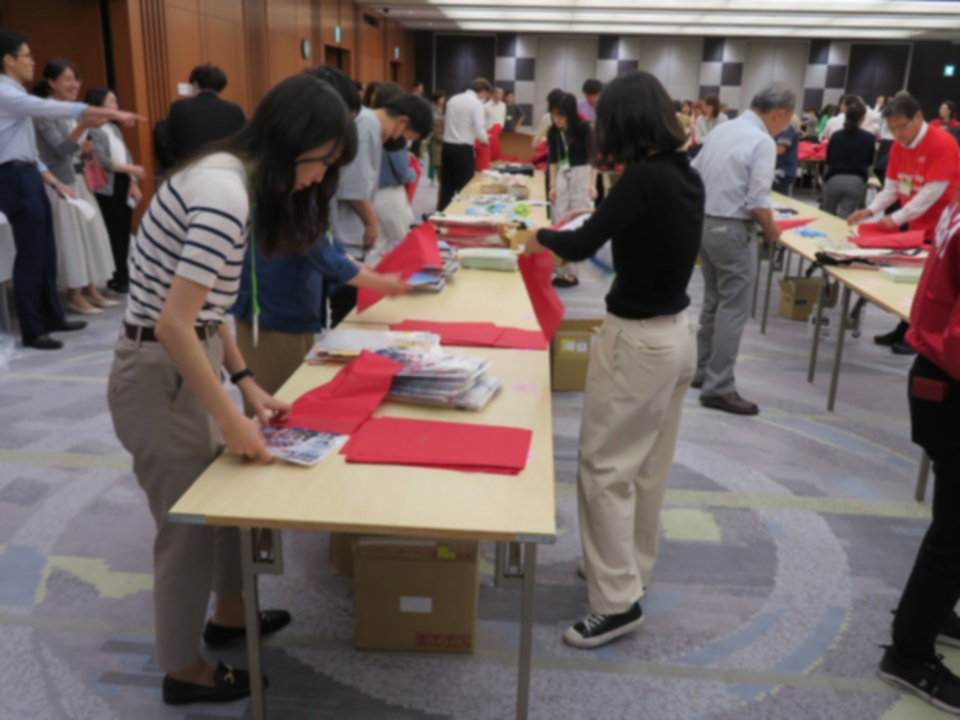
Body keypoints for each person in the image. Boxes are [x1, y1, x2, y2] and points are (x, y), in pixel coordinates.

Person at [108, 73, 355, 706]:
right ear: (297, 141)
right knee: (186, 528)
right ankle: (183, 669)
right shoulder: (224, 195)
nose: (318, 180)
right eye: (323, 163)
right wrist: (232, 416)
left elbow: (209, 310)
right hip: (159, 373)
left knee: (218, 504)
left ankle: (230, 614)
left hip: (182, 364)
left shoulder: (229, 178)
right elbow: (175, 325)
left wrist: (245, 382)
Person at [524, 70, 703, 649]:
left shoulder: (641, 179)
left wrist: (537, 235)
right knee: (646, 466)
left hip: (637, 343)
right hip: (676, 337)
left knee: (604, 468)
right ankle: (628, 570)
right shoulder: (684, 173)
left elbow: (580, 244)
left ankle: (616, 602)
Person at [231, 67, 411, 405]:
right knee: (277, 405)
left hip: (296, 308)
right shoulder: (277, 181)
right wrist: (376, 281)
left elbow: (323, 236)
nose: (325, 171)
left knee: (296, 393)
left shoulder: (302, 178)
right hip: (270, 313)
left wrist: (362, 269)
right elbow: (316, 248)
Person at [0, 30, 140, 350]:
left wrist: (47, 177)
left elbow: (27, 148)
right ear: (8, 60)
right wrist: (108, 112)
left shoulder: (15, 93)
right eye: (27, 56)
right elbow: (52, 110)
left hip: (29, 173)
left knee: (46, 251)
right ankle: (33, 328)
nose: (32, 62)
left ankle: (51, 315)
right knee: (31, 253)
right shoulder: (5, 92)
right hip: (14, 177)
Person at [878, 195, 960, 714]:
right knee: (953, 536)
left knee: (951, 527)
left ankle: (932, 614)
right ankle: (908, 654)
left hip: (937, 375)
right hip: (950, 379)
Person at [692, 82, 796, 416]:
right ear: (779, 114)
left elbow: (693, 173)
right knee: (733, 308)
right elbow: (757, 203)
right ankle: (719, 386)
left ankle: (702, 371)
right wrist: (772, 231)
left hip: (706, 223)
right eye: (786, 121)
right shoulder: (762, 141)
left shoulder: (723, 129)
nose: (784, 128)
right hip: (734, 230)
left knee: (713, 302)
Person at [848, 94, 960, 355]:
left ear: (918, 117)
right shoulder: (900, 147)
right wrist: (869, 210)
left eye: (901, 126)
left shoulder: (942, 142)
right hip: (916, 225)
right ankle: (906, 327)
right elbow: (892, 187)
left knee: (934, 288)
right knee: (914, 282)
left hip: (944, 229)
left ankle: (920, 335)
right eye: (892, 129)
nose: (897, 134)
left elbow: (932, 192)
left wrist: (895, 218)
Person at [327, 68, 433, 325]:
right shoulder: (368, 127)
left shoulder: (368, 123)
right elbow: (353, 187)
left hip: (348, 232)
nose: (400, 142)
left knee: (351, 302)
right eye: (406, 137)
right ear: (402, 121)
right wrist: (372, 222)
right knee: (347, 312)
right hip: (345, 232)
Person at [33, 58, 118, 316]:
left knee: (89, 234)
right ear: (51, 82)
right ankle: (74, 294)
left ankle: (91, 289)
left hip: (80, 179)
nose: (75, 85)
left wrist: (83, 146)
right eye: (68, 79)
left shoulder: (71, 110)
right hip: (61, 183)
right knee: (72, 239)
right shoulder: (45, 112)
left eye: (76, 79)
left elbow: (71, 147)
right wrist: (83, 126)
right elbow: (59, 149)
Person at [84, 87, 145, 296]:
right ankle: (116, 278)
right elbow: (103, 161)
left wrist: (133, 181)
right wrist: (132, 169)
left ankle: (123, 276)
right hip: (106, 187)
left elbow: (126, 155)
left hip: (122, 181)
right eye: (111, 102)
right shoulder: (92, 130)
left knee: (123, 233)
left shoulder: (113, 128)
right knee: (113, 233)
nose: (116, 106)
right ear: (98, 104)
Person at [547, 92, 596, 288]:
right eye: (553, 114)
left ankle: (572, 272)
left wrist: (592, 184)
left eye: (560, 115)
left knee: (577, 220)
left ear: (569, 113)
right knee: (558, 216)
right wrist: (552, 185)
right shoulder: (553, 131)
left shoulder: (584, 129)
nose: (556, 119)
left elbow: (594, 158)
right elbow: (552, 160)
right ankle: (560, 269)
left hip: (582, 173)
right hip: (562, 173)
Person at [371, 82, 419, 263]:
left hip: (372, 194)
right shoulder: (395, 134)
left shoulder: (371, 125)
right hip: (390, 194)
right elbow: (402, 172)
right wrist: (413, 173)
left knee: (377, 247)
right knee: (402, 244)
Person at [163, 64, 245, 165]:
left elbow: (169, 142)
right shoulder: (234, 110)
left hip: (189, 166)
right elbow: (243, 143)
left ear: (195, 84)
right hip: (225, 166)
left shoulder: (179, 107)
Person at [438, 77, 490, 212]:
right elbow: (479, 129)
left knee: (447, 186)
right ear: (483, 91)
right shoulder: (476, 104)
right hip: (463, 149)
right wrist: (485, 140)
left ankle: (443, 215)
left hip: (447, 147)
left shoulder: (452, 100)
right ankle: (461, 214)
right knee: (464, 187)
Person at [821, 99, 876, 219]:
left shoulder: (836, 136)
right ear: (863, 118)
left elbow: (828, 162)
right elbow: (869, 165)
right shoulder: (868, 138)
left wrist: (825, 181)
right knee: (845, 219)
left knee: (827, 215)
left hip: (834, 179)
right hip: (856, 181)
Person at [773, 117, 800, 196]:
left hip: (782, 170)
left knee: (777, 199)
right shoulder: (784, 120)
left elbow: (780, 149)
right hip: (780, 168)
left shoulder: (789, 122)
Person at [428, 91, 446, 185]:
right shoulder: (432, 111)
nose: (443, 100)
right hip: (433, 135)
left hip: (443, 134)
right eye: (441, 98)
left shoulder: (445, 110)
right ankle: (432, 178)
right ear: (437, 99)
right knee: (433, 157)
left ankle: (440, 177)